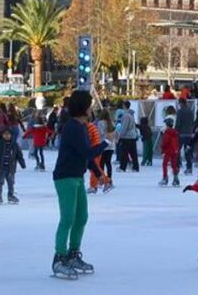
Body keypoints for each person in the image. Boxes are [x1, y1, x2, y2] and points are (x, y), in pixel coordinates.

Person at [50, 90, 106, 280]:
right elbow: (86, 152)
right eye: (90, 105)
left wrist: (98, 173)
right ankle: (59, 258)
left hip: (76, 176)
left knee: (81, 217)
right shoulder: (72, 127)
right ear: (83, 108)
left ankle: (73, 254)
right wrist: (105, 143)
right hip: (65, 177)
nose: (92, 109)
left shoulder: (82, 127)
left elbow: (85, 155)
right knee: (67, 218)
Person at [0, 128, 25, 204]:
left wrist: (22, 163)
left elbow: (19, 155)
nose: (7, 136)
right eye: (5, 134)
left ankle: (10, 196)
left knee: (11, 183)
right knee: (0, 182)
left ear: (11, 135)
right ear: (2, 135)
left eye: (8, 134)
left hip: (10, 168)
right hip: (1, 167)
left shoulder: (14, 144)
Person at [116, 101, 139, 172]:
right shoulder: (131, 115)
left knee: (124, 153)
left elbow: (124, 127)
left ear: (124, 106)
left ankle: (122, 167)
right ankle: (136, 167)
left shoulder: (125, 115)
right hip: (132, 136)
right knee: (133, 153)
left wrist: (120, 136)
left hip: (127, 137)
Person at [175, 98, 196, 175]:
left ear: (181, 103)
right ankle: (189, 167)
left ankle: (177, 166)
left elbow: (178, 122)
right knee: (188, 151)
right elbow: (192, 122)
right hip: (189, 133)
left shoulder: (180, 111)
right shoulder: (191, 111)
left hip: (181, 134)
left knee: (177, 150)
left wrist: (175, 131)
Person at [159, 117, 180, 186]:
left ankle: (165, 177)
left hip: (168, 151)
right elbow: (177, 142)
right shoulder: (175, 133)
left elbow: (165, 142)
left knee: (165, 164)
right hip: (174, 151)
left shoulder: (167, 133)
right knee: (174, 165)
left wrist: (162, 149)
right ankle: (176, 178)